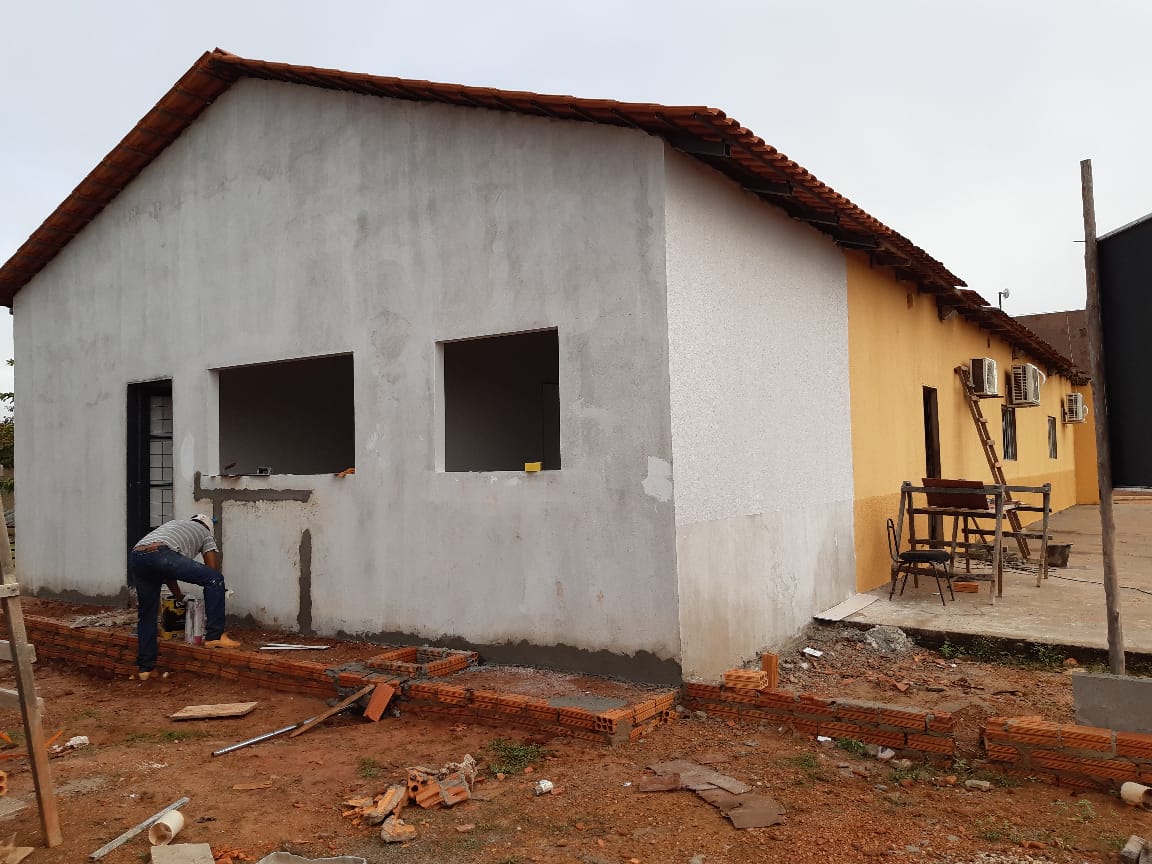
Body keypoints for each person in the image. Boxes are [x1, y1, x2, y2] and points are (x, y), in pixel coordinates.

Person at [129, 514, 240, 679]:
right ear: (208, 526)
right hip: (161, 553)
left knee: (147, 615)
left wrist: (179, 597)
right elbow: (212, 569)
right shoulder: (205, 533)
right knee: (215, 579)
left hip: (137, 556)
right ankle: (214, 636)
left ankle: (146, 669)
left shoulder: (175, 524)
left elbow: (167, 573)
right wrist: (218, 588)